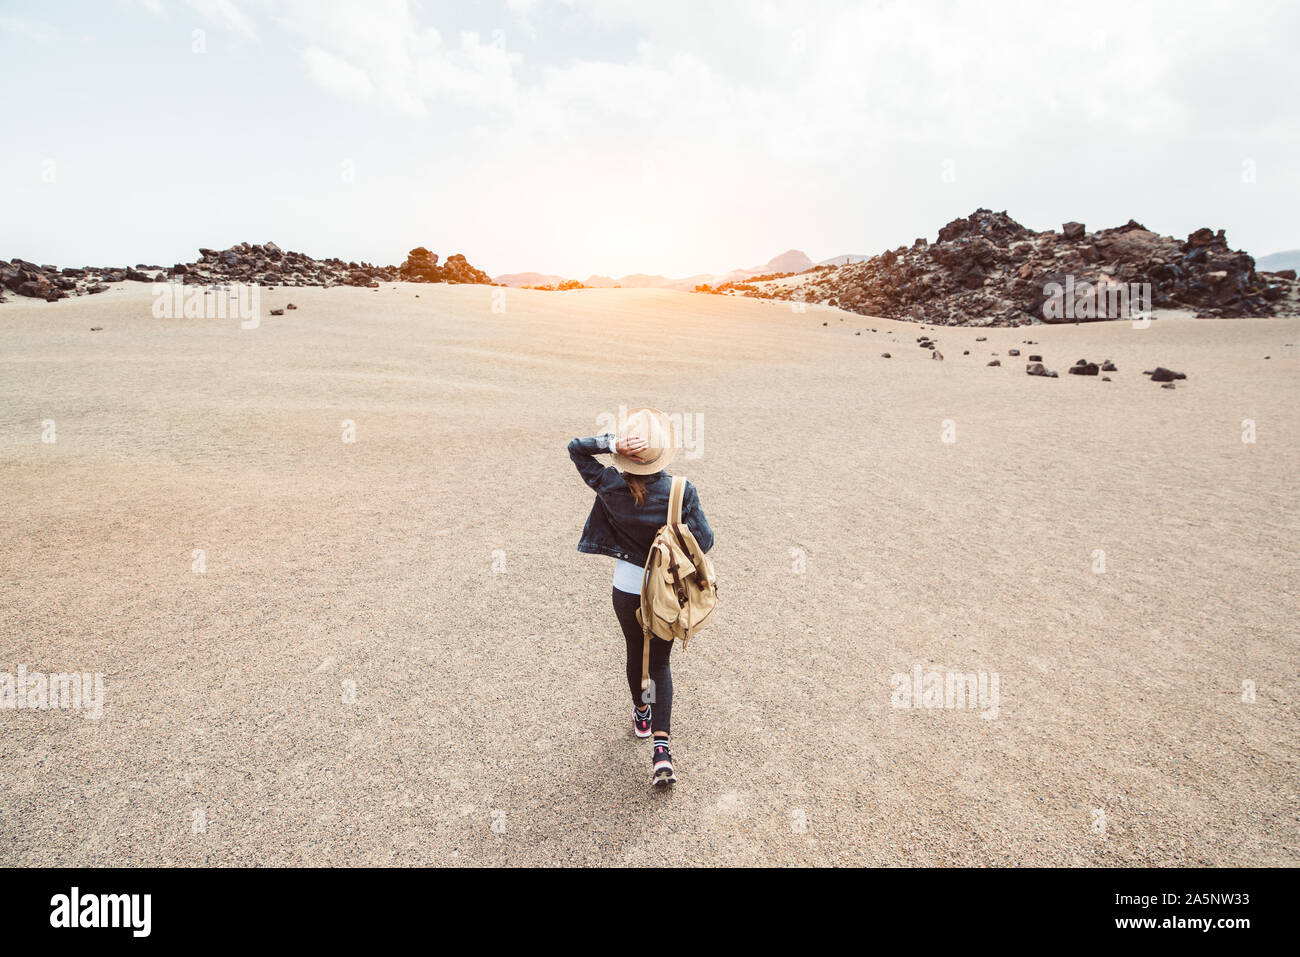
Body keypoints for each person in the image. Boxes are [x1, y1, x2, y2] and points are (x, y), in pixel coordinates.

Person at [567, 407, 714, 786]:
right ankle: (662, 752)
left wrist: (610, 443)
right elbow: (706, 542)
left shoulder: (610, 485)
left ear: (626, 454)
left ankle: (641, 714)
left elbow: (575, 448)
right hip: (666, 591)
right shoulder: (680, 490)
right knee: (661, 662)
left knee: (637, 652)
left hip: (628, 589)